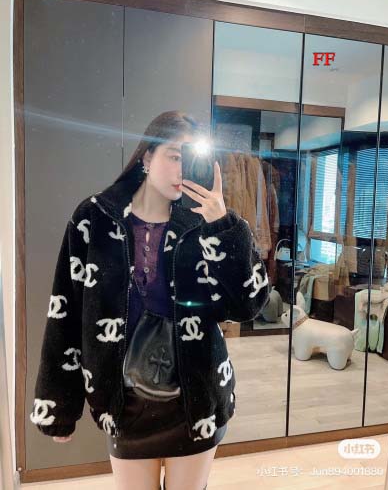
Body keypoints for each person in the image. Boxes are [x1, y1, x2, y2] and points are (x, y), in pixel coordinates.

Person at [30, 111, 270, 490]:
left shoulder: (206, 224)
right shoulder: (95, 218)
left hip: (195, 401)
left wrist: (224, 227)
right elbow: (65, 311)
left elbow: (246, 306)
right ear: (147, 156)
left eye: (190, 158)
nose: (182, 169)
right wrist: (58, 404)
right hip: (124, 405)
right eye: (174, 156)